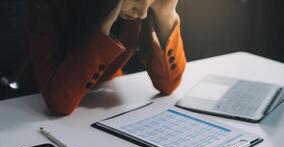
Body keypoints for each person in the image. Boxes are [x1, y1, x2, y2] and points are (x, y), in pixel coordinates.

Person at [22, 0, 186, 115]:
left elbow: (168, 84)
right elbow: (60, 103)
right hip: (32, 101)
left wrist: (166, 14)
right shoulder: (48, 5)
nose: (143, 13)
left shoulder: (143, 8)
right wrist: (104, 26)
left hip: (108, 92)